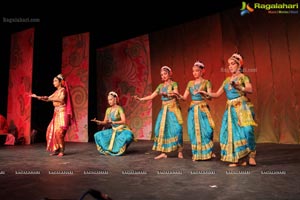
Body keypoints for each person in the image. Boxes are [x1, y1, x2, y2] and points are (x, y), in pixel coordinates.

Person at [199, 53, 257, 167]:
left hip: (242, 107)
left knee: (248, 130)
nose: (230, 66)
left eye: (233, 64)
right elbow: (216, 94)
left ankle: (251, 156)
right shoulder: (226, 80)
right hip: (230, 109)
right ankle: (237, 158)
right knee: (232, 133)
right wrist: (205, 93)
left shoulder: (244, 77)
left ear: (239, 65)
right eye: (229, 64)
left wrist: (238, 87)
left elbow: (250, 90)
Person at [134, 66, 184, 160]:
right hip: (164, 111)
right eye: (162, 74)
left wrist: (168, 94)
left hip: (173, 109)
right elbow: (152, 96)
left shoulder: (174, 84)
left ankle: (180, 151)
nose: (163, 76)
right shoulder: (160, 86)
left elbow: (176, 93)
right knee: (160, 130)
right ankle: (163, 152)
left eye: (165, 74)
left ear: (169, 74)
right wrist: (140, 99)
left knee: (177, 129)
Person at [177, 61, 216, 161]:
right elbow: (184, 97)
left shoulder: (207, 82)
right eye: (193, 71)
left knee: (208, 130)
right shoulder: (190, 83)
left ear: (202, 71)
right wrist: (176, 95)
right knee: (193, 131)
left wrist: (204, 94)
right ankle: (197, 154)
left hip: (203, 108)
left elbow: (210, 97)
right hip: (193, 109)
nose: (194, 73)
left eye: (197, 71)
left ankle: (209, 151)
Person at [30, 74, 75, 157]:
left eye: (55, 81)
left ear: (60, 82)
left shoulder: (63, 90)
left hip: (62, 113)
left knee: (59, 132)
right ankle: (56, 149)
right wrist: (37, 97)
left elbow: (61, 99)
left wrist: (49, 98)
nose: (53, 82)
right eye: (53, 81)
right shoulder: (56, 91)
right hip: (56, 114)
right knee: (50, 130)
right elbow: (47, 98)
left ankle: (62, 150)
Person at [92, 91, 134, 156]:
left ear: (115, 99)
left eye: (111, 99)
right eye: (108, 100)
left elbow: (123, 121)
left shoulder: (119, 109)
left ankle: (120, 149)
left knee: (128, 136)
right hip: (113, 130)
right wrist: (99, 122)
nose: (109, 101)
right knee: (97, 135)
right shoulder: (108, 110)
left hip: (121, 130)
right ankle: (110, 150)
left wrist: (113, 122)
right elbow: (105, 122)